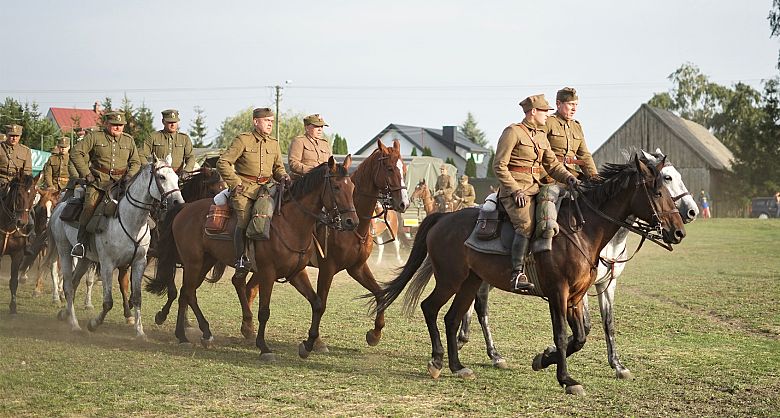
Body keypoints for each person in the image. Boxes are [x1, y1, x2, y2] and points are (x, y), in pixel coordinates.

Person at [494, 94, 577, 292]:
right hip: (515, 191)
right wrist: (514, 190)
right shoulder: (512, 132)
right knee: (526, 224)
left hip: (536, 187)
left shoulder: (540, 135)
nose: (548, 115)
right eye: (544, 111)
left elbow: (552, 164)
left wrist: (569, 178)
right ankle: (517, 273)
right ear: (533, 112)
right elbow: (499, 165)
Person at [216, 107, 290, 278]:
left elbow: (278, 168)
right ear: (256, 122)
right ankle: (241, 259)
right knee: (244, 219)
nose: (270, 124)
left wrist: (284, 176)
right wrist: (235, 183)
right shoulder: (243, 140)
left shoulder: (274, 143)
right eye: (266, 121)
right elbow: (223, 162)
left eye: (271, 121)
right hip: (245, 189)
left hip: (268, 188)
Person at [69, 111, 141, 257]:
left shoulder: (129, 140)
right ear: (107, 124)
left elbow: (136, 162)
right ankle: (80, 243)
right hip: (98, 183)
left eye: (120, 125)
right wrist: (86, 174)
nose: (118, 128)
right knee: (89, 207)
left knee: (139, 206)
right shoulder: (95, 137)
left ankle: (141, 243)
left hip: (121, 184)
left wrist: (129, 176)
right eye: (114, 125)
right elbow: (76, 153)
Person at [544, 87, 598, 181]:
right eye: (570, 104)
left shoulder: (576, 126)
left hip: (572, 174)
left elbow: (584, 155)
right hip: (551, 175)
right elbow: (540, 151)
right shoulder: (548, 122)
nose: (574, 109)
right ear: (558, 104)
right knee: (550, 194)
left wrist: (594, 176)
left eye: (576, 105)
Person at [140, 109, 195, 176]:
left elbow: (191, 157)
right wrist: (149, 169)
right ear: (163, 122)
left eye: (175, 122)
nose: (172, 124)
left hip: (178, 176)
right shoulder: (153, 137)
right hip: (159, 177)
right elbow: (141, 154)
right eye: (169, 122)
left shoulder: (184, 138)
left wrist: (186, 171)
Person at [288, 114, 332, 179]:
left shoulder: (325, 144)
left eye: (321, 126)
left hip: (323, 181)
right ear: (307, 128)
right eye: (316, 126)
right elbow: (293, 164)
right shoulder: (299, 141)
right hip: (304, 181)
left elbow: (332, 162)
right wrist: (312, 171)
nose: (320, 129)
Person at [0, 125, 33, 190]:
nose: (14, 138)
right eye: (12, 136)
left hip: (17, 184)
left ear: (20, 136)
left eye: (17, 136)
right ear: (7, 135)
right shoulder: (1, 147)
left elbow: (27, 171)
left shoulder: (25, 151)